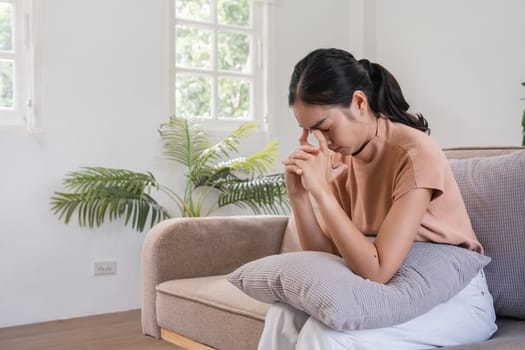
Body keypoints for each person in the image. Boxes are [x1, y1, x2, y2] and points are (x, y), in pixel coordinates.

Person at [257, 48, 497, 350]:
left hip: (454, 299)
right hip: (392, 292)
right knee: (283, 314)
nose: (324, 142)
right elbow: (325, 257)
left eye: (326, 128)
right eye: (311, 132)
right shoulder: (345, 160)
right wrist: (300, 195)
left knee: (325, 336)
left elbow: (378, 270)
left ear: (359, 102)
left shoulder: (415, 154)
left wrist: (322, 191)